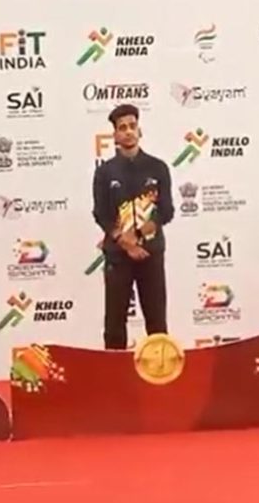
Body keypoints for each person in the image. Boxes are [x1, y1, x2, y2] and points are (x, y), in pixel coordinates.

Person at [92, 104, 174, 350]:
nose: (128, 131)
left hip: (151, 253)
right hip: (118, 256)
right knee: (114, 324)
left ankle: (160, 370)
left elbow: (166, 211)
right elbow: (101, 213)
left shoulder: (158, 168)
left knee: (157, 322)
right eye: (122, 128)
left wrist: (138, 236)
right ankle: (113, 372)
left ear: (140, 130)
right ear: (115, 135)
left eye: (132, 126)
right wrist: (124, 241)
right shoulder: (105, 172)